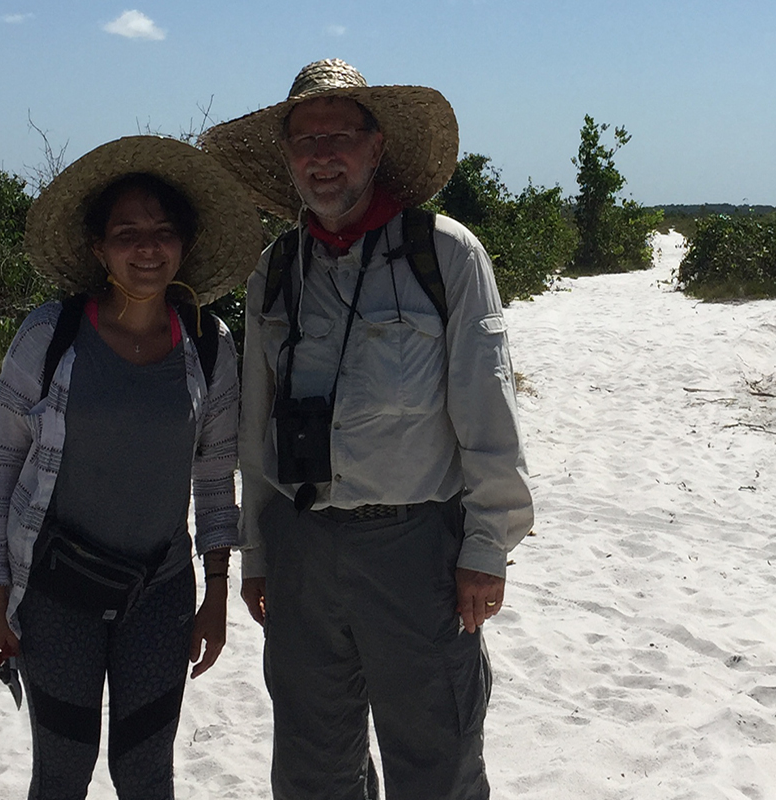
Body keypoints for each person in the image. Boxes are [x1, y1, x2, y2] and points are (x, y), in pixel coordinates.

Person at [200, 59, 534, 799]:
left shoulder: (445, 254)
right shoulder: (274, 270)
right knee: (314, 769)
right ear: (287, 160)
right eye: (304, 141)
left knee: (436, 763)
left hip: (417, 549)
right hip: (299, 547)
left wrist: (487, 546)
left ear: (376, 147)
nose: (322, 155)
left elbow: (490, 412)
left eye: (339, 135)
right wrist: (257, 554)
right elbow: (257, 428)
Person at [0, 135, 263, 799]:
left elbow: (216, 480)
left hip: (159, 593)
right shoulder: (51, 337)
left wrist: (215, 594)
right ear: (98, 247)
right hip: (55, 595)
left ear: (184, 244)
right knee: (62, 773)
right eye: (127, 232)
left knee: (146, 772)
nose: (147, 247)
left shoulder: (209, 346)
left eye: (162, 231)